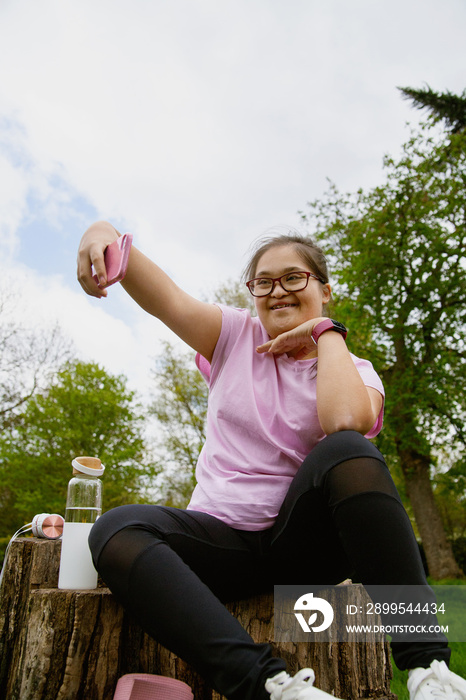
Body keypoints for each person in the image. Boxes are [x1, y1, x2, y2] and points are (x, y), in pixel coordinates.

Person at [77, 222, 466, 700]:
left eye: (294, 278)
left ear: (325, 290)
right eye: (264, 282)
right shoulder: (232, 336)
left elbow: (344, 419)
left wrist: (326, 333)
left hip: (305, 547)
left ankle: (429, 671)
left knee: (348, 450)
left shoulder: (353, 368)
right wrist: (101, 233)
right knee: (115, 529)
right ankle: (270, 686)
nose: (277, 290)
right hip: (222, 543)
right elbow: (167, 299)